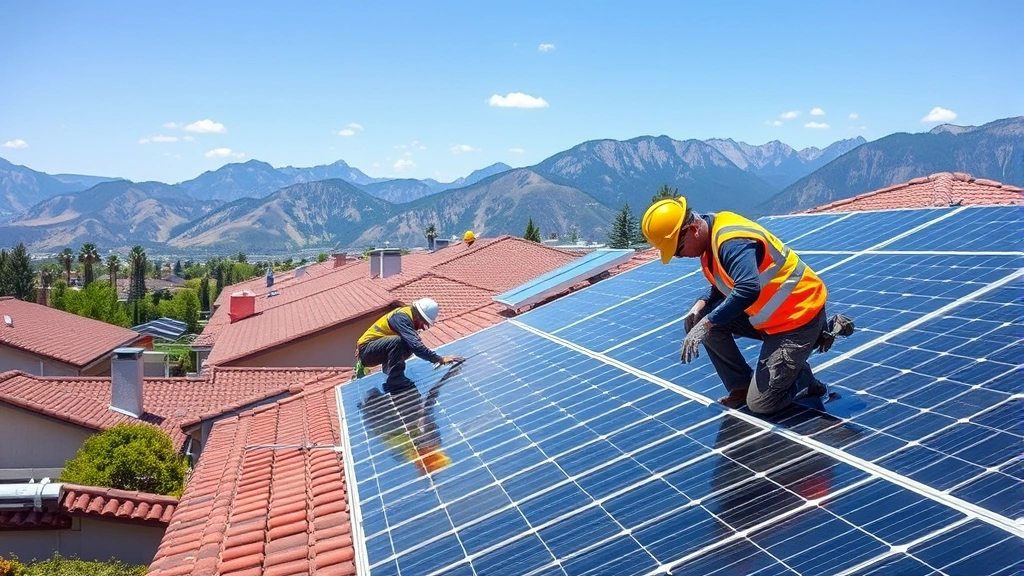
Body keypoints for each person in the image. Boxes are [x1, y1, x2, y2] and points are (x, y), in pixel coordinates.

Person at [641, 196, 852, 415]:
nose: (679, 256)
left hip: (798, 317)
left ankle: (802, 377)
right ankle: (741, 386)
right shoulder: (711, 236)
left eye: (678, 249)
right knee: (699, 318)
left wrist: (708, 322)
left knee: (762, 404)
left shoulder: (731, 243)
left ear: (692, 228)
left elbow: (748, 288)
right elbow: (726, 282)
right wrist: (700, 306)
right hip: (773, 318)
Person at [356, 297, 463, 392]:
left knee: (408, 343)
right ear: (418, 316)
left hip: (374, 349)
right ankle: (395, 380)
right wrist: (439, 359)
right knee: (399, 341)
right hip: (367, 351)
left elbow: (414, 345)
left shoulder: (408, 315)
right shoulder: (401, 318)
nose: (422, 327)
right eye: (424, 323)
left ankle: (390, 370)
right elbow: (416, 347)